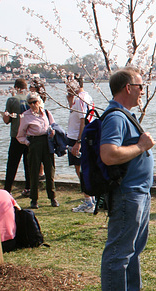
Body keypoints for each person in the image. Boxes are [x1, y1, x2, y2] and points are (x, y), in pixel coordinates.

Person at [99, 67, 156, 291]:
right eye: (140, 86)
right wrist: (141, 147)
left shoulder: (126, 115)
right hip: (127, 193)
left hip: (139, 192)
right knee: (120, 249)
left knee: (135, 246)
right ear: (127, 88)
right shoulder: (115, 118)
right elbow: (108, 154)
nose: (142, 91)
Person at [16, 92, 58, 209]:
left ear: (39, 102)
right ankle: (34, 199)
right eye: (30, 103)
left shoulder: (46, 113)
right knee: (34, 172)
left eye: (35, 102)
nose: (33, 105)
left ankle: (52, 197)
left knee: (50, 171)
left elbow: (53, 125)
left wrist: (52, 133)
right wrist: (28, 143)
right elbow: (20, 135)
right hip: (34, 143)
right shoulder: (25, 115)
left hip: (47, 141)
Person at [66, 74, 96, 213]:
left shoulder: (81, 99)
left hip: (78, 138)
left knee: (81, 170)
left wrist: (78, 142)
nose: (66, 87)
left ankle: (89, 201)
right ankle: (91, 198)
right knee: (81, 169)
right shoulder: (82, 98)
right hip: (76, 137)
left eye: (68, 84)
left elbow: (84, 120)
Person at [2, 78, 31, 197]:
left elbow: (6, 120)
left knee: (12, 164)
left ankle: (7, 189)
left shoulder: (12, 100)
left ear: (16, 87)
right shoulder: (31, 99)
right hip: (29, 136)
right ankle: (29, 188)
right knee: (28, 164)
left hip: (16, 136)